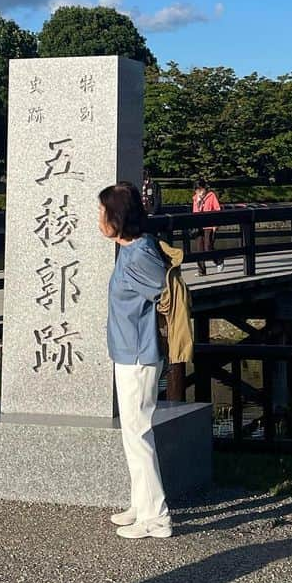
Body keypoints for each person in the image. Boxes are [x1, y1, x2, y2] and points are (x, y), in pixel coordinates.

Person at [97, 183, 172, 540]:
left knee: (139, 433)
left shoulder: (140, 253)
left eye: (102, 212)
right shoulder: (129, 249)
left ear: (117, 217)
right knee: (132, 433)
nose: (99, 218)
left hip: (139, 354)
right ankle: (140, 505)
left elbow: (166, 291)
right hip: (128, 351)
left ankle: (156, 517)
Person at [191, 177, 224, 275]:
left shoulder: (211, 196)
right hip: (199, 225)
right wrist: (198, 201)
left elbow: (217, 209)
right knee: (199, 248)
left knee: (208, 246)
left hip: (209, 225)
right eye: (197, 189)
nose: (199, 191)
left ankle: (218, 260)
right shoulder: (195, 198)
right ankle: (201, 270)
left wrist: (215, 224)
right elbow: (195, 212)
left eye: (200, 189)